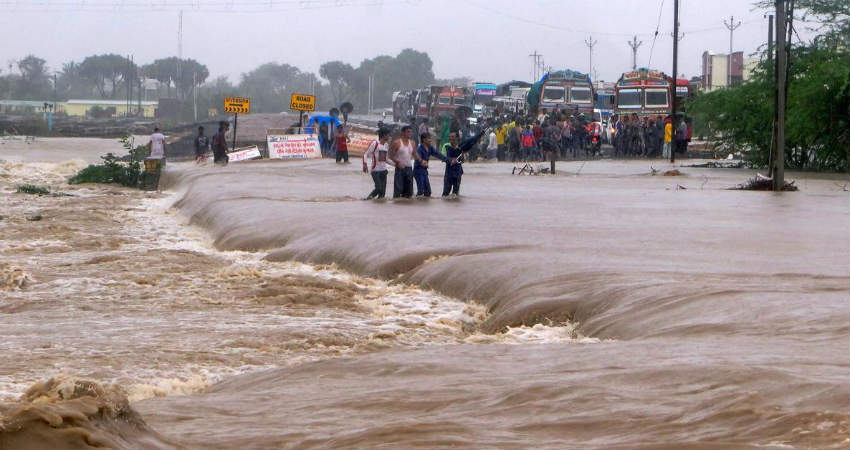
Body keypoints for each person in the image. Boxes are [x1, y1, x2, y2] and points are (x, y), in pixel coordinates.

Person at [413, 132, 447, 197]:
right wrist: (423, 163)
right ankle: (417, 204)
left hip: (424, 171)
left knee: (428, 192)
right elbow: (417, 160)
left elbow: (437, 154)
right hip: (418, 171)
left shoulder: (430, 147)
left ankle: (424, 205)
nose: (430, 140)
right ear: (423, 139)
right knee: (421, 191)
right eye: (429, 139)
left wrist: (446, 159)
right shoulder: (419, 149)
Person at [362, 128, 391, 199]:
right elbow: (365, 154)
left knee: (382, 194)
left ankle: (379, 207)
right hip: (375, 170)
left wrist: (396, 164)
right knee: (378, 188)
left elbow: (386, 159)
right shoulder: (375, 143)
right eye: (388, 135)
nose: (389, 136)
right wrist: (365, 164)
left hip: (384, 171)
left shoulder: (386, 145)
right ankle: (367, 199)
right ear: (383, 135)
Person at [389, 125, 415, 198]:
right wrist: (398, 162)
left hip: (409, 168)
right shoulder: (396, 142)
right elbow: (391, 156)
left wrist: (421, 160)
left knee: (409, 192)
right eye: (408, 132)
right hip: (400, 169)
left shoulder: (412, 143)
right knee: (398, 191)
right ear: (403, 133)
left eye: (411, 132)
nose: (410, 133)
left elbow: (415, 154)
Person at [441, 132, 464, 197]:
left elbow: (462, 160)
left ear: (457, 138)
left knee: (455, 194)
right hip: (448, 173)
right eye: (450, 137)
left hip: (458, 172)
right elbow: (443, 158)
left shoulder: (460, 147)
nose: (451, 138)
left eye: (453, 137)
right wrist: (450, 160)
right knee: (445, 194)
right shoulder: (446, 146)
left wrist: (459, 159)